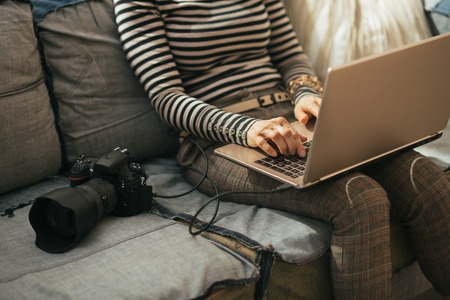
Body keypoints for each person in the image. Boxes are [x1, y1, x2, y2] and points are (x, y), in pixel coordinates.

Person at [114, 1, 450, 299]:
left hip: (289, 118)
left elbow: (290, 56)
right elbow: (165, 99)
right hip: (216, 140)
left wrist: (305, 94)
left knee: (423, 177)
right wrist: (246, 129)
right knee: (359, 199)